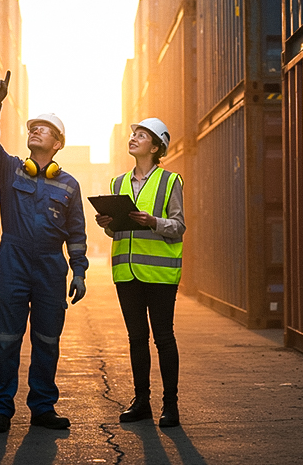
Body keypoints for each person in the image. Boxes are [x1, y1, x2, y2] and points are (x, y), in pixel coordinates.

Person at [0, 71, 89, 434]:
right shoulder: (9, 169)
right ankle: (0, 410)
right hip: (14, 261)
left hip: (51, 268)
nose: (34, 131)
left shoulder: (69, 185)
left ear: (58, 143)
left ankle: (42, 407)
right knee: (6, 339)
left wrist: (80, 271)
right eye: (32, 128)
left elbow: (76, 233)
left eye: (43, 129)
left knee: (47, 340)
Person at [95, 118, 185, 427]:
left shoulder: (171, 181)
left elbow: (179, 226)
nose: (133, 138)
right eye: (133, 134)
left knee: (163, 337)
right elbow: (117, 233)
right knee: (136, 338)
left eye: (141, 135)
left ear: (156, 146)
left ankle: (170, 405)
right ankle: (141, 401)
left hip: (159, 274)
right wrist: (108, 225)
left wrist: (153, 222)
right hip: (126, 273)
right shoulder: (117, 184)